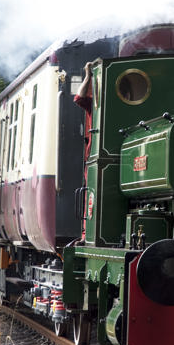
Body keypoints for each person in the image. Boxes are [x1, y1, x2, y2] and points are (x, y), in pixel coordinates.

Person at [73, 61, 93, 242]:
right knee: (91, 193)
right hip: (95, 153)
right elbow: (79, 97)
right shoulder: (94, 104)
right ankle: (86, 234)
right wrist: (88, 76)